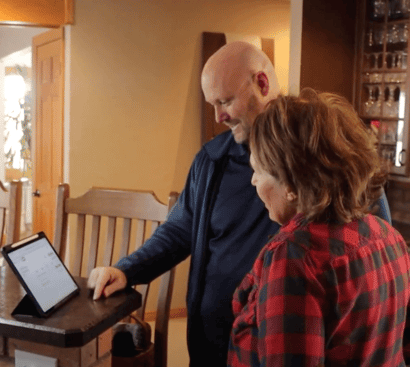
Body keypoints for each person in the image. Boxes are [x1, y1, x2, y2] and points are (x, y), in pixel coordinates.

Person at [87, 42, 392, 366]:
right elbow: (179, 229)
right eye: (213, 104)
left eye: (225, 101)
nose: (219, 116)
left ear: (262, 84)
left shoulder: (332, 155)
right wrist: (126, 269)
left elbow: (378, 253)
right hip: (214, 349)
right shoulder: (211, 159)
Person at [228, 90, 410, 366]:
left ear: (293, 184)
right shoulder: (385, 234)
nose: (253, 182)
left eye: (258, 171)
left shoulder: (294, 258)